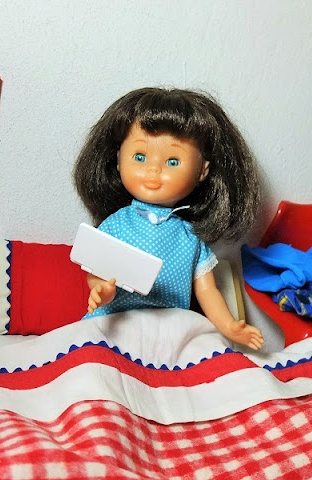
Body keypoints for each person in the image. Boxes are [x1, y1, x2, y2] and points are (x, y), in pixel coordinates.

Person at [73, 87, 264, 350]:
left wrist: (229, 325)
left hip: (170, 331)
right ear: (118, 161)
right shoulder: (117, 224)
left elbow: (207, 291)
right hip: (117, 322)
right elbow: (98, 271)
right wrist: (102, 289)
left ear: (202, 171)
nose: (153, 170)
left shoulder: (190, 238)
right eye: (139, 157)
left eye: (173, 162)